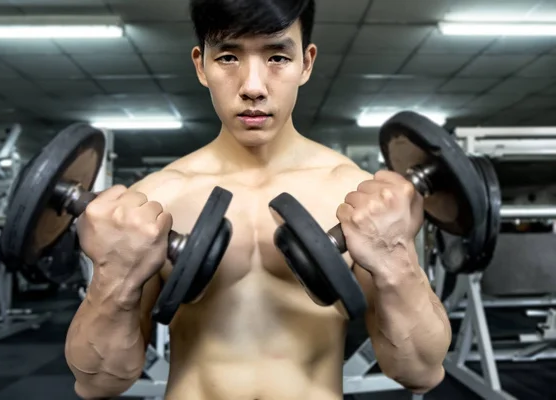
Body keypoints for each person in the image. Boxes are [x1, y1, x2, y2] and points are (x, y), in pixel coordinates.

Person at [64, 0, 452, 399]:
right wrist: (114, 279)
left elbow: (420, 371)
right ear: (201, 65)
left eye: (278, 57)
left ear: (306, 62)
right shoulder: (156, 198)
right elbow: (98, 382)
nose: (252, 86)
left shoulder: (353, 195)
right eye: (229, 56)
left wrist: (396, 263)